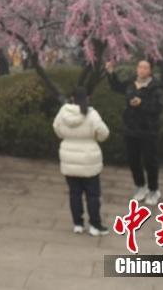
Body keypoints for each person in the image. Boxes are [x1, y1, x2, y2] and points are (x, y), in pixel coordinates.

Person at [53, 87, 110, 236]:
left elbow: (57, 129)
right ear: (87, 98)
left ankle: (78, 223)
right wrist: (95, 139)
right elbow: (104, 133)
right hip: (89, 158)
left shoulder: (63, 112)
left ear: (72, 98)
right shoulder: (91, 114)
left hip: (69, 157)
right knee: (92, 194)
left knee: (74, 193)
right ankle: (95, 225)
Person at [105, 59, 163, 205]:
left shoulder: (155, 88)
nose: (142, 70)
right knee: (133, 160)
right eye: (140, 67)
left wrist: (142, 103)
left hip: (148, 130)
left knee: (150, 161)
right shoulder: (131, 84)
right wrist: (111, 72)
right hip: (131, 129)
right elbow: (116, 86)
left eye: (145, 67)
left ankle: (153, 189)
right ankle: (140, 186)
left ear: (150, 71)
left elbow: (158, 108)